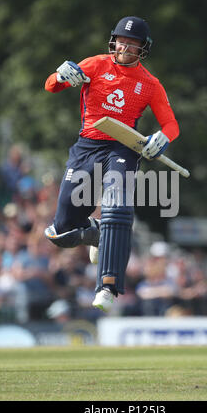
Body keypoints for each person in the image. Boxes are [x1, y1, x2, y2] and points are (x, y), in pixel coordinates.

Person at [44, 16, 180, 312]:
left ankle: (107, 286)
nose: (125, 47)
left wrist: (162, 138)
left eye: (133, 43)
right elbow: (50, 87)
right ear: (113, 41)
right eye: (122, 40)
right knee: (61, 232)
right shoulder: (94, 64)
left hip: (123, 145)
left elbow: (171, 124)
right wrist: (61, 75)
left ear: (143, 49)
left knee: (117, 207)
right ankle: (94, 232)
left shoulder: (150, 84)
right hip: (87, 146)